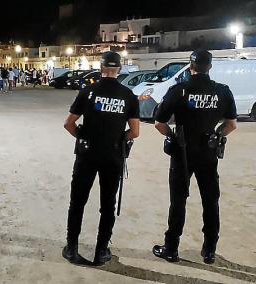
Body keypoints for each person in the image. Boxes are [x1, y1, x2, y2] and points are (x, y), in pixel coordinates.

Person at [152, 50, 238, 264]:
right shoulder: (222, 91)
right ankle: (209, 250)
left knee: (178, 201)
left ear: (191, 67)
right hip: (208, 154)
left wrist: (172, 135)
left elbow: (159, 123)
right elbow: (231, 124)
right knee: (210, 201)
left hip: (182, 153)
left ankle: (171, 249)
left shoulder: (179, 90)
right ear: (209, 66)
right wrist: (217, 134)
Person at [62, 51, 140, 266]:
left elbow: (68, 123)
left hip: (87, 154)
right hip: (113, 155)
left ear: (100, 68)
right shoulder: (128, 95)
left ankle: (72, 247)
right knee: (107, 205)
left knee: (77, 202)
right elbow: (134, 132)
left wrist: (82, 135)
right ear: (119, 70)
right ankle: (101, 250)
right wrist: (119, 138)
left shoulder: (88, 91)